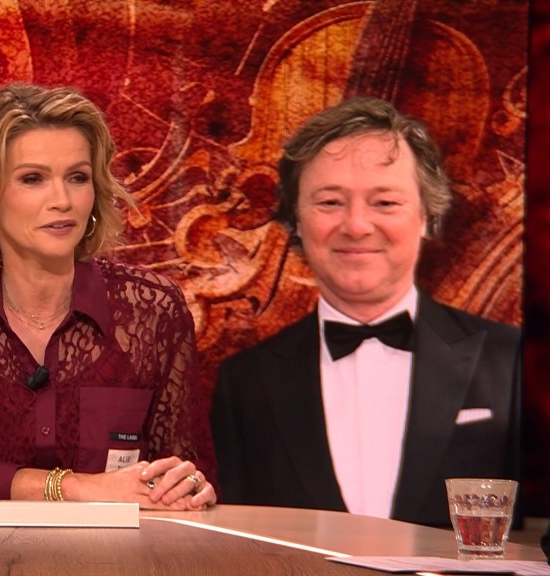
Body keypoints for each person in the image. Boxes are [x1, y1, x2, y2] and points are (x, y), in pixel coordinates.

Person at [0, 84, 216, 509]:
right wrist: (73, 487)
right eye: (33, 179)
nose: (62, 201)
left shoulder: (152, 309)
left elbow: (185, 467)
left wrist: (188, 488)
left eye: (78, 177)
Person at [210, 96, 521, 526]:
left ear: (426, 215)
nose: (356, 226)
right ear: (296, 218)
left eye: (385, 202)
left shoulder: (514, 361)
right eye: (330, 202)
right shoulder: (244, 383)